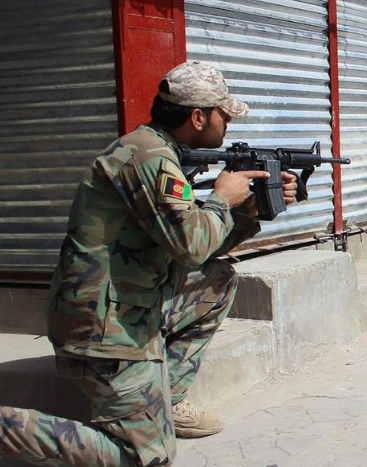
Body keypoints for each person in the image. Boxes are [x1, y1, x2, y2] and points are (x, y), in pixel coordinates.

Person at [0, 61, 298, 466]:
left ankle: (165, 400)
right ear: (198, 117)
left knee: (217, 279)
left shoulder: (159, 151)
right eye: (223, 115)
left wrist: (249, 211)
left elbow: (198, 247)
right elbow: (191, 246)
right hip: (102, 328)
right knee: (145, 458)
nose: (227, 124)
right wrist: (221, 198)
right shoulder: (149, 157)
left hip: (133, 303)